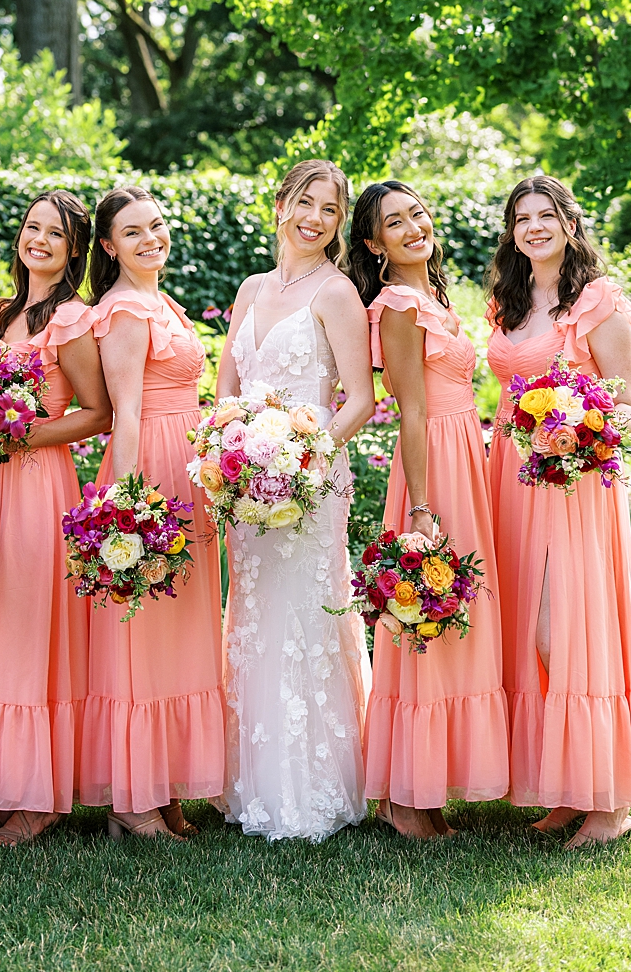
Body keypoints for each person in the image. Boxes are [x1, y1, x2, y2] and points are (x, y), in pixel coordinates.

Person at [485, 176, 631, 846]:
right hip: (511, 481)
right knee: (528, 632)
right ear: (512, 231)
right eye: (522, 217)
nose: (534, 226)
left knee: (564, 632)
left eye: (546, 214)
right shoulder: (508, 300)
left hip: (571, 483)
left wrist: (578, 428)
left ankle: (612, 803)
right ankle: (568, 790)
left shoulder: (598, 301)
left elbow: (630, 407)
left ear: (568, 221)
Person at [212, 159, 375, 842]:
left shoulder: (336, 293)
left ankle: (313, 789)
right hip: (247, 485)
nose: (313, 218)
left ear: (339, 223)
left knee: (303, 617)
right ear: (280, 203)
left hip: (310, 481)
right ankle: (246, 783)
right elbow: (225, 385)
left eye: (329, 210)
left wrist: (304, 460)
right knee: (250, 617)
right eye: (304, 202)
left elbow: (361, 400)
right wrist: (232, 456)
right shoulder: (251, 288)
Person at [351, 180, 508, 839]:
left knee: (456, 619)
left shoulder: (433, 298)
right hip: (432, 470)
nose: (414, 226)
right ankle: (410, 800)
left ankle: (421, 789)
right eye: (395, 221)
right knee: (430, 616)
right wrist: (421, 508)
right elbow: (410, 412)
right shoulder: (397, 307)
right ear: (373, 243)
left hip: (463, 457)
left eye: (417, 213)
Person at [79, 187, 224, 839]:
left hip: (185, 470)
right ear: (108, 246)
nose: (150, 239)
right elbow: (127, 412)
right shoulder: (123, 309)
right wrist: (130, 505)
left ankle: (162, 786)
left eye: (157, 226)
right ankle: (131, 801)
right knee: (141, 634)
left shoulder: (158, 299)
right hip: (149, 474)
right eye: (132, 232)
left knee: (178, 634)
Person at [0, 191, 110, 846]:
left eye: (55, 234)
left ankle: (38, 798)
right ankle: (7, 782)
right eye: (32, 228)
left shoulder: (72, 320)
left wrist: (26, 437)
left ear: (74, 249)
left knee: (29, 629)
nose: (40, 241)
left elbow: (97, 412)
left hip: (35, 482)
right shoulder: (4, 314)